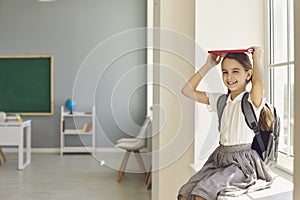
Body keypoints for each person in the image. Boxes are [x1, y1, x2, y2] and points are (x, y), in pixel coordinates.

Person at [178, 46, 274, 200]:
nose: (229, 77)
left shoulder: (251, 101)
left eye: (235, 71)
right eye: (225, 72)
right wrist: (208, 65)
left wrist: (257, 58)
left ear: (248, 74)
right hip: (220, 158)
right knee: (185, 192)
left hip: (242, 163)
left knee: (201, 195)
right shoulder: (221, 100)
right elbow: (187, 91)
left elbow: (258, 83)